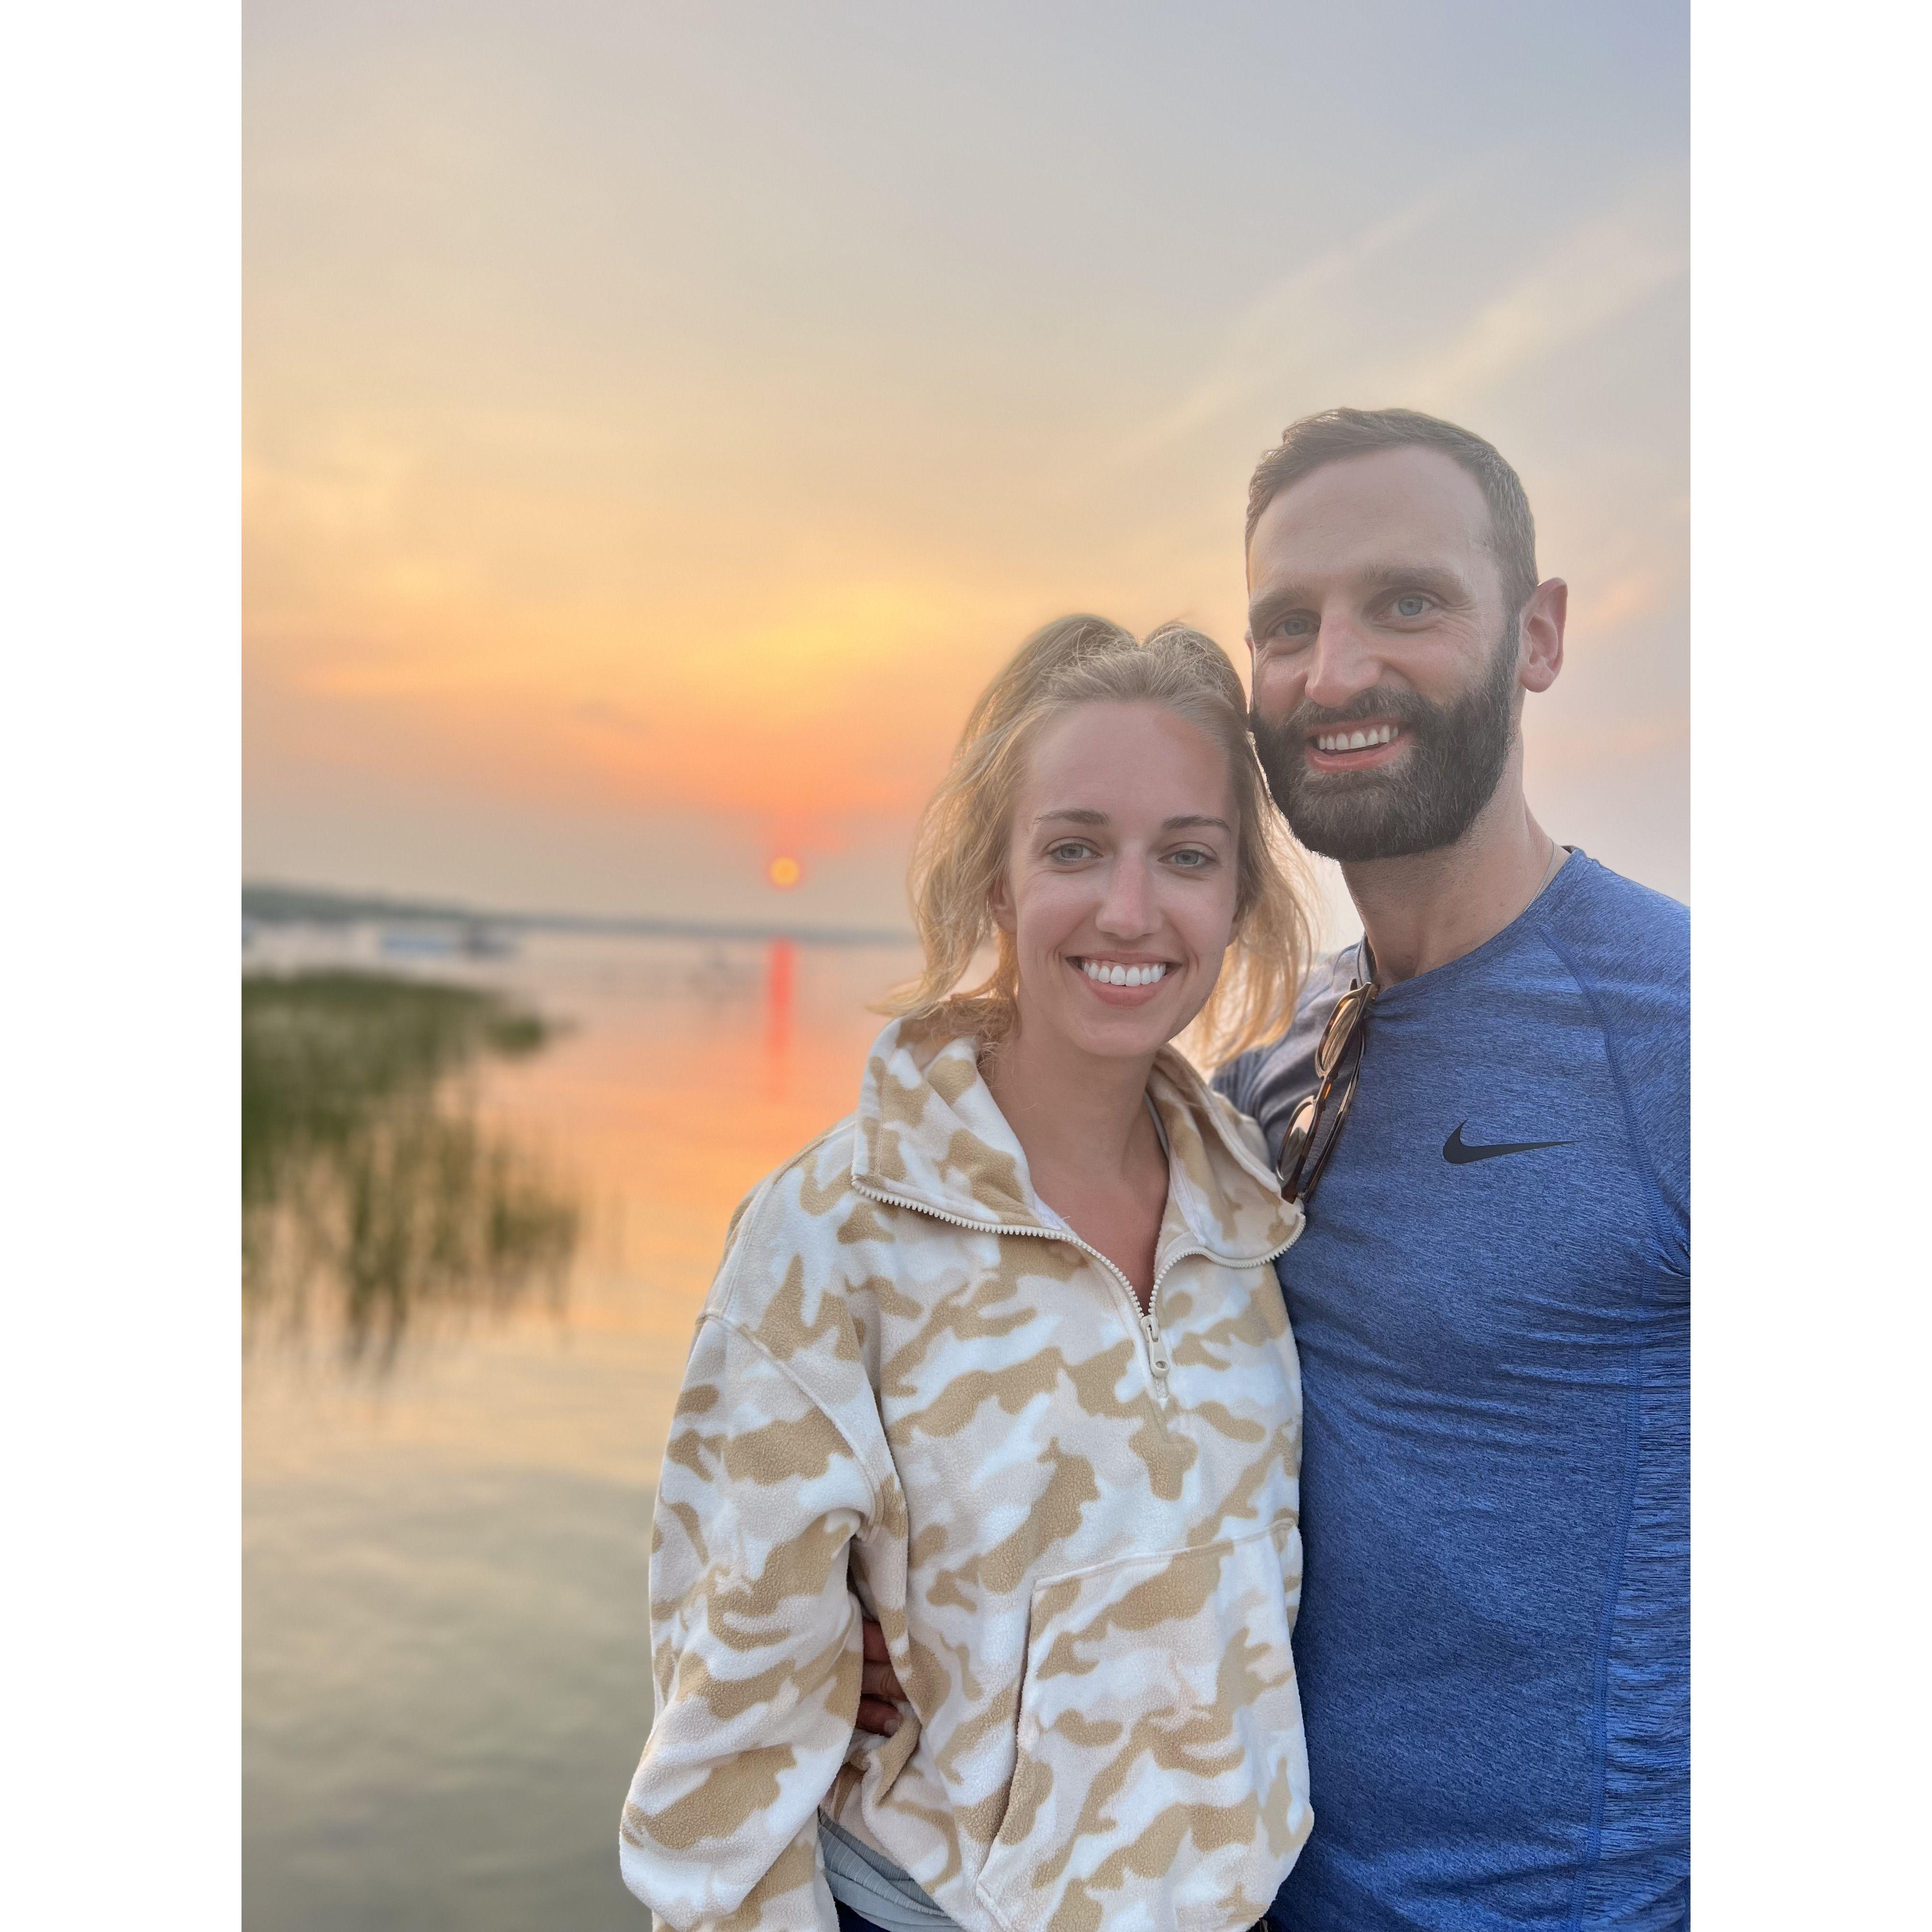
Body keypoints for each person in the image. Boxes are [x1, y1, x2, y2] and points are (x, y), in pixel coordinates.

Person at [621, 618, 1326, 1932]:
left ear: (1239, 897)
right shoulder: (830, 1238)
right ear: (997, 881)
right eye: (1075, 848)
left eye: (1187, 854)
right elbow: (725, 1769)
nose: (1130, 910)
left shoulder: (1256, 1212)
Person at [1226, 408, 1689, 1931]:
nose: (1334, 672)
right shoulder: (1270, 1067)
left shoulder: (1687, 1036)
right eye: (1287, 626)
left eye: (1407, 602)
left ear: (1537, 636)